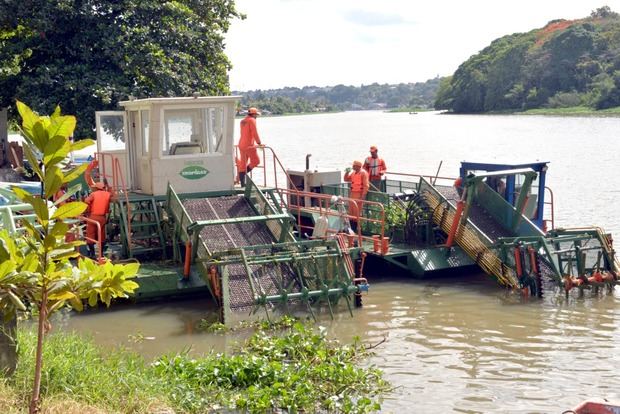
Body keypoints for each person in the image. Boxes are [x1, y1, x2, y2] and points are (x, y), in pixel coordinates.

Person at [84, 181, 115, 258]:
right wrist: (109, 188)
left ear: (96, 188)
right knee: (101, 235)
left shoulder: (93, 194)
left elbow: (86, 201)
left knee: (90, 235)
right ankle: (101, 254)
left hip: (93, 217)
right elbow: (113, 197)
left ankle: (92, 254)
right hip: (102, 218)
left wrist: (87, 209)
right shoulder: (107, 194)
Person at [237, 107, 263, 186]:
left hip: (241, 144)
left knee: (243, 165)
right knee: (256, 161)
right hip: (249, 146)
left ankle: (242, 183)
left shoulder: (242, 121)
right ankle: (242, 175)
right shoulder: (252, 120)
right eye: (256, 115)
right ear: (254, 114)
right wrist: (259, 143)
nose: (257, 117)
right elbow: (254, 132)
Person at [343, 160, 369, 232]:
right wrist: (347, 172)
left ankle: (357, 228)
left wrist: (363, 195)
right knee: (351, 211)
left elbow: (366, 185)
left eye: (354, 165)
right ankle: (352, 228)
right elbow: (346, 179)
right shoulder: (353, 173)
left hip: (359, 194)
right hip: (352, 194)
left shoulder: (363, 173)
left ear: (358, 166)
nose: (352, 167)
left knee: (357, 211)